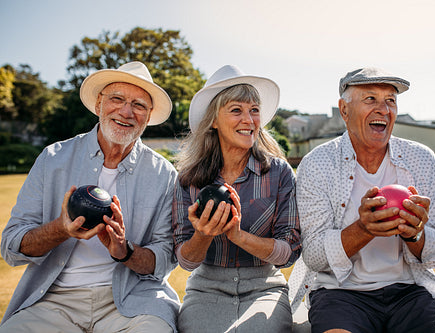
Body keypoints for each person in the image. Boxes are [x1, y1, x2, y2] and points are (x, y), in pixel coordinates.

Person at [1, 61, 180, 332]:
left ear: (148, 115)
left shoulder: (164, 174)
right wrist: (59, 229)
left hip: (134, 299)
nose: (126, 111)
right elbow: (12, 247)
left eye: (139, 105)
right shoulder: (53, 158)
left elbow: (165, 258)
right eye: (117, 99)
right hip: (54, 300)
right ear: (99, 104)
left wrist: (124, 250)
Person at [288, 67, 435, 333]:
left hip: (411, 292)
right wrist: (363, 230)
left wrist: (414, 235)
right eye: (370, 99)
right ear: (344, 110)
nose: (383, 109)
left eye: (390, 100)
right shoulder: (317, 164)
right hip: (341, 294)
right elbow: (313, 256)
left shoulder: (423, 160)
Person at [172, 65, 301, 332]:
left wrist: (238, 236)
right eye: (236, 110)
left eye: (254, 110)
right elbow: (185, 261)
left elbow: (289, 253)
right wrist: (204, 234)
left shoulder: (278, 173)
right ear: (214, 121)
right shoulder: (188, 179)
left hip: (264, 286)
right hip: (206, 287)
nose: (249, 119)